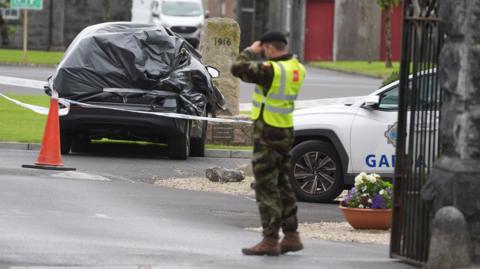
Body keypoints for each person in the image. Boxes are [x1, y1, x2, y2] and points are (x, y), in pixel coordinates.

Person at [230, 31, 306, 256]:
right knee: (283, 184)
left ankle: (270, 239)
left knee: (266, 186)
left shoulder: (271, 71)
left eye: (264, 51)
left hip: (268, 135)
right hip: (285, 131)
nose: (263, 54)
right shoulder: (297, 68)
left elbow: (237, 68)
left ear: (270, 49)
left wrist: (250, 51)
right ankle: (291, 235)